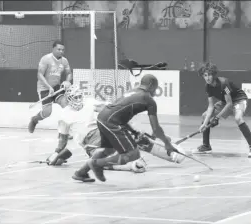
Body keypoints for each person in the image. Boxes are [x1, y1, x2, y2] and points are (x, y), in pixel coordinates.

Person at [44, 86, 186, 183]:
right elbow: (62, 141)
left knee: (135, 139)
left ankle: (171, 154)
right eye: (75, 97)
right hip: (89, 142)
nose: (78, 100)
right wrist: (56, 153)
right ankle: (130, 165)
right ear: (68, 99)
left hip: (101, 131)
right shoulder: (64, 116)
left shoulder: (90, 102)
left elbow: (108, 110)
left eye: (80, 96)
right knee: (104, 157)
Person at [194, 62, 251, 158]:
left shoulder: (223, 83)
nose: (207, 78)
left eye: (210, 75)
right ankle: (206, 146)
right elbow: (210, 106)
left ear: (214, 75)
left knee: (238, 118)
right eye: (205, 75)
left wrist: (217, 118)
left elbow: (230, 104)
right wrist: (204, 124)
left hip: (239, 100)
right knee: (205, 116)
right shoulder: (208, 87)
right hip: (225, 102)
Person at [28, 40, 72, 133]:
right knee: (47, 113)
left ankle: (67, 131)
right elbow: (39, 75)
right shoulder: (46, 59)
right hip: (44, 88)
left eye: (63, 50)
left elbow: (69, 73)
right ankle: (34, 120)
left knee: (66, 105)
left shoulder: (64, 61)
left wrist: (67, 81)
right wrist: (49, 88)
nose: (61, 51)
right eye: (59, 49)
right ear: (53, 49)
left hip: (56, 87)